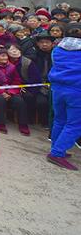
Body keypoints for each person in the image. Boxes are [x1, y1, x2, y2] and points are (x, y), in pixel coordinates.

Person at [47, 23, 81, 170]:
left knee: (60, 119)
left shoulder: (57, 49)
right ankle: (57, 153)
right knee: (74, 124)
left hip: (57, 89)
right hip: (76, 91)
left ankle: (56, 147)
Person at [0, 47, 29, 135]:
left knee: (19, 101)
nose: (5, 58)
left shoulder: (12, 66)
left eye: (6, 56)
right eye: (2, 56)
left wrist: (10, 92)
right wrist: (1, 92)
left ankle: (23, 124)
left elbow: (17, 81)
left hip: (9, 89)